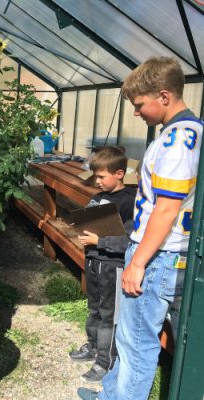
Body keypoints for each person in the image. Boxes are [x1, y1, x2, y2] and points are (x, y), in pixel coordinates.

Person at [78, 57, 203, 400]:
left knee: (136, 345)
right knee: (132, 337)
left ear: (164, 96)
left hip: (157, 255)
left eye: (139, 105)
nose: (136, 113)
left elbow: (166, 210)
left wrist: (137, 262)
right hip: (166, 253)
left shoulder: (178, 139)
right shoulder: (191, 133)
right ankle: (110, 394)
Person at [69, 147, 136, 384]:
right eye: (95, 176)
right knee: (94, 307)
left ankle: (105, 362)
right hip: (94, 263)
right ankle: (93, 345)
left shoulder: (129, 202)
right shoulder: (96, 198)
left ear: (119, 174)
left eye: (101, 177)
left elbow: (129, 241)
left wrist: (101, 241)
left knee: (110, 315)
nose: (96, 181)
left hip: (113, 266)